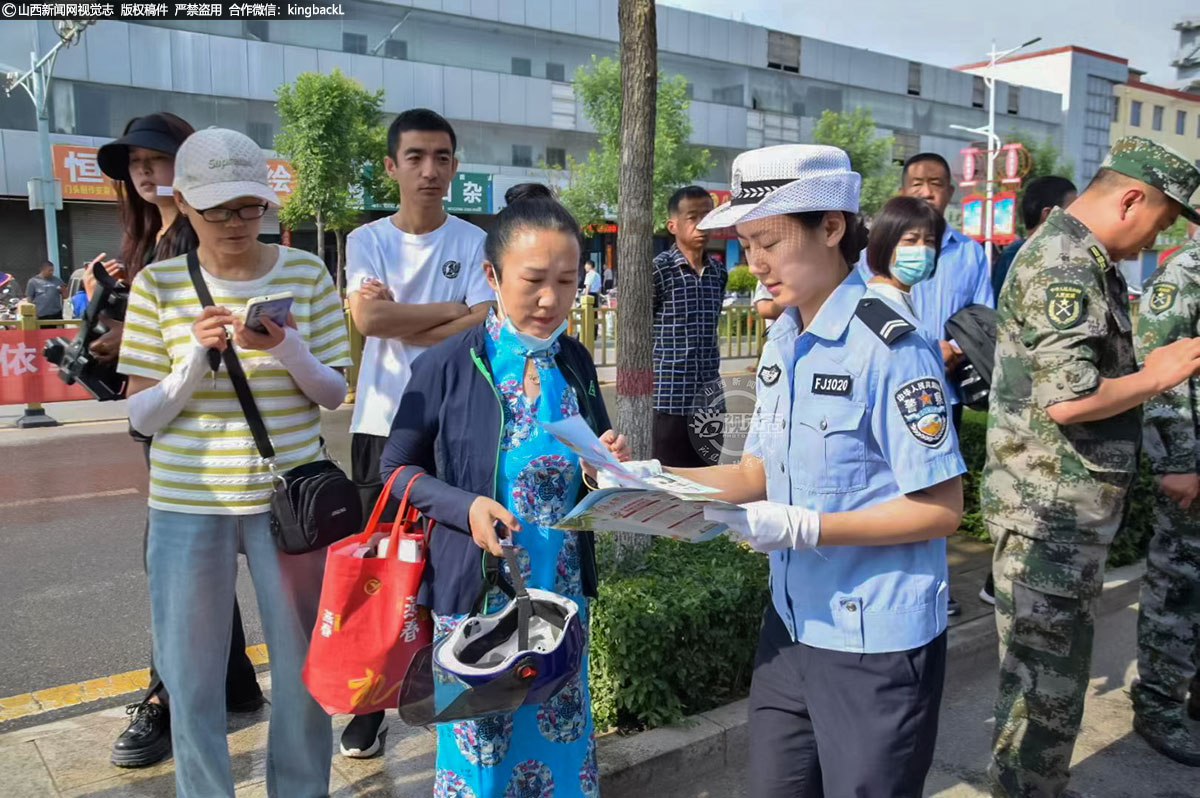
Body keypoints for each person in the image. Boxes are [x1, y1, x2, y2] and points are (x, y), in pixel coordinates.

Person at [673, 144, 965, 796]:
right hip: (792, 625)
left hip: (875, 642)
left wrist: (806, 528)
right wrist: (640, 476)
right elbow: (754, 475)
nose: (756, 266)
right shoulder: (784, 336)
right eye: (746, 246)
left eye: (770, 242)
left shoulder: (890, 345)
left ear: (832, 227)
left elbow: (943, 508)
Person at [117, 127, 351, 797]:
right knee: (189, 678)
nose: (236, 223)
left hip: (291, 500)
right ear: (183, 202)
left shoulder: (304, 271)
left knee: (306, 667)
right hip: (188, 504)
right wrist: (193, 363)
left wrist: (287, 350)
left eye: (250, 206)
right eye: (219, 208)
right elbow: (140, 415)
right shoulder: (159, 285)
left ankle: (301, 790)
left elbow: (333, 392)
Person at [380, 183, 630, 797]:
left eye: (568, 281)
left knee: (561, 730)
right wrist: (464, 506)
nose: (551, 299)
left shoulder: (574, 359)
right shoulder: (447, 363)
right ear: (492, 274)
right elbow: (395, 468)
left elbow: (590, 450)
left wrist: (605, 465)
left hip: (560, 587)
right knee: (482, 748)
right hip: (481, 592)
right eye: (534, 279)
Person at [983, 137, 1200, 797]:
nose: (1156, 240)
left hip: (1063, 511)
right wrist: (1159, 373)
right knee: (1039, 685)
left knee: (1053, 680)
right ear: (1132, 198)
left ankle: (1037, 784)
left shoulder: (1085, 258)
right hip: (1044, 511)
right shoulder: (1064, 261)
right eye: (1161, 223)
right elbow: (1071, 399)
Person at [94, 112, 263, 769]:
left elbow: (210, 343)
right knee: (191, 563)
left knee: (172, 570)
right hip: (168, 422)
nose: (143, 171)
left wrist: (125, 335)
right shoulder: (151, 242)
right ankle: (238, 683)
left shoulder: (196, 241)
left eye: (156, 159)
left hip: (207, 431)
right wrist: (103, 317)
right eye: (133, 161)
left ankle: (163, 701)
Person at [343, 107, 494, 757]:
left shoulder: (475, 240)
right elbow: (368, 319)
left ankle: (449, 689)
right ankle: (371, 704)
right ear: (391, 167)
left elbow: (485, 321)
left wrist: (404, 317)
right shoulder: (366, 239)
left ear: (455, 167)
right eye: (415, 158)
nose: (430, 171)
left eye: (441, 158)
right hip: (381, 423)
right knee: (381, 574)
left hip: (454, 429)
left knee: (452, 570)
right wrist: (450, 314)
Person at [887, 152, 992, 617]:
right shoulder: (884, 248)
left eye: (935, 183)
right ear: (902, 190)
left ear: (950, 191)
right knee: (888, 490)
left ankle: (936, 588)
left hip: (943, 395)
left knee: (934, 492)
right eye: (916, 183)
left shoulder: (969, 253)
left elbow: (982, 317)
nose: (926, 191)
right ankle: (894, 584)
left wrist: (951, 349)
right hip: (889, 390)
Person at [1132, 207, 1200, 766]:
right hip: (1191, 466)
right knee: (1178, 587)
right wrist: (1176, 461)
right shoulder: (1182, 278)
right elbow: (1157, 375)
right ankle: (1157, 702)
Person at [652, 185, 727, 467]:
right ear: (673, 225)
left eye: (708, 216)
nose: (702, 224)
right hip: (669, 399)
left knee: (708, 482)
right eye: (693, 217)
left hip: (709, 400)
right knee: (667, 486)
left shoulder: (719, 273)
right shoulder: (659, 270)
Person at [991, 176, 1078, 302]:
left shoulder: (1067, 253)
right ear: (1048, 215)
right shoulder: (1015, 256)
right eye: (1073, 210)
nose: (1078, 218)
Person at [862, 195, 946, 318]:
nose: (922, 249)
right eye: (911, 240)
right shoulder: (882, 302)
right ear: (885, 244)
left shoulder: (899, 296)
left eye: (929, 241)